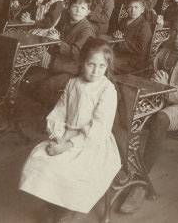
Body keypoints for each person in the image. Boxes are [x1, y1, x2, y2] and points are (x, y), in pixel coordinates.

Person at [19, 39, 120, 222]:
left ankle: (68, 211)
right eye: (91, 65)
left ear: (107, 67)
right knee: (42, 159)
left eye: (101, 66)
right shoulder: (73, 83)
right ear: (82, 63)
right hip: (66, 134)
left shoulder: (107, 90)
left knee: (73, 171)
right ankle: (54, 203)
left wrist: (69, 145)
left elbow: (99, 127)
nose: (96, 71)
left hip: (93, 142)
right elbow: (59, 112)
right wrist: (57, 136)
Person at [119, 13, 178, 214]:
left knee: (160, 119)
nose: (177, 36)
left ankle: (141, 183)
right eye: (173, 31)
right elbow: (153, 75)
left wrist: (167, 87)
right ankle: (127, 166)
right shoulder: (164, 50)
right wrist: (154, 77)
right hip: (161, 100)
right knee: (126, 106)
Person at [29, 0, 98, 107]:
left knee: (46, 86)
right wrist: (50, 39)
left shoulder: (86, 29)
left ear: (88, 12)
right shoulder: (66, 23)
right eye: (75, 6)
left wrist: (58, 42)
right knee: (31, 80)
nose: (78, 10)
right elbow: (55, 47)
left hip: (75, 70)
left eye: (82, 8)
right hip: (58, 65)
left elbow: (76, 54)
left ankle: (54, 112)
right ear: (68, 7)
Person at [111, 0, 152, 75]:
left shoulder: (144, 26)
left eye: (136, 7)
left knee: (108, 63)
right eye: (130, 7)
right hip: (121, 54)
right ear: (126, 8)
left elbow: (141, 50)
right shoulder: (124, 21)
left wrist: (121, 42)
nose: (133, 10)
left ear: (142, 9)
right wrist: (116, 34)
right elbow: (117, 35)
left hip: (135, 60)